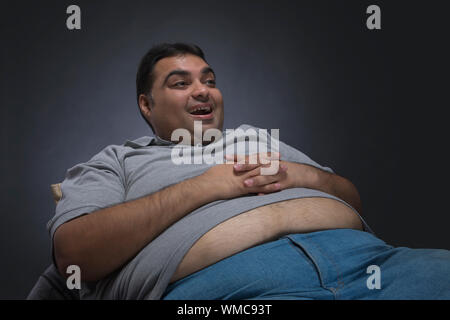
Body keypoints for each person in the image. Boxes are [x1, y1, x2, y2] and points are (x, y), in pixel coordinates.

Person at [48, 43, 450, 300]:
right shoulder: (116, 161)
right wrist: (205, 187)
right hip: (234, 291)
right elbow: (76, 256)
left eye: (209, 80)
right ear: (146, 105)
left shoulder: (254, 138)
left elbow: (351, 198)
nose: (203, 90)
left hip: (374, 266)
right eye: (180, 83)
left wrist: (301, 176)